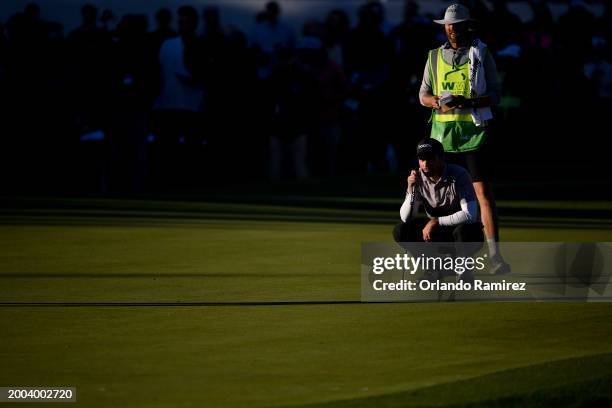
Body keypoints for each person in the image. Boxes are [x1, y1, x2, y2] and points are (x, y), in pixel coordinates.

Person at [418, 3, 509, 274]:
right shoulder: (433, 56)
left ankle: (495, 257)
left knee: (482, 195)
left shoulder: (480, 52)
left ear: (466, 26)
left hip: (473, 135)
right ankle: (449, 260)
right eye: (447, 26)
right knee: (441, 199)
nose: (451, 30)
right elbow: (422, 94)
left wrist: (466, 102)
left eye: (456, 26)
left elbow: (495, 95)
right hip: (442, 139)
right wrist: (434, 102)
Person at [393, 138, 483, 245]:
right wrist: (411, 189)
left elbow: (469, 215)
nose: (425, 164)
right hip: (437, 229)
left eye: (430, 158)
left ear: (441, 158)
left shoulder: (459, 175)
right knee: (401, 230)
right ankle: (429, 261)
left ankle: (460, 261)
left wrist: (436, 221)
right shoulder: (418, 177)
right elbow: (405, 218)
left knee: (462, 232)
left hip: (465, 229)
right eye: (421, 159)